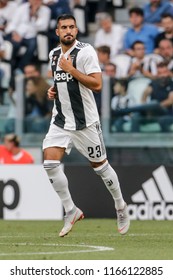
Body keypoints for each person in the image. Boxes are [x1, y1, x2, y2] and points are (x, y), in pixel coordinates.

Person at [42, 14, 130, 237]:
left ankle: (120, 206)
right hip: (61, 119)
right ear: (57, 32)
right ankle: (71, 210)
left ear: (76, 30)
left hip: (85, 122)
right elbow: (60, 83)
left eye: (72, 26)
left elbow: (97, 84)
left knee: (101, 167)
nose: (68, 30)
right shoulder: (53, 54)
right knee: (50, 163)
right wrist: (53, 91)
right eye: (64, 27)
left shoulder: (86, 51)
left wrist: (71, 70)